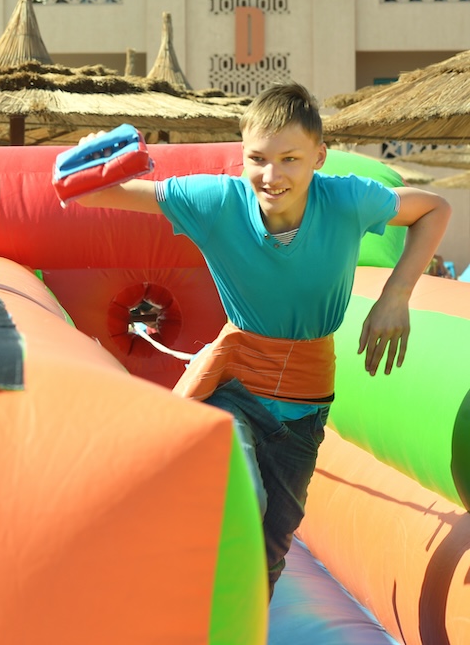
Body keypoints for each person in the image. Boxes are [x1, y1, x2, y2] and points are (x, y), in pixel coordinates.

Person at [72, 82, 450, 599]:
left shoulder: (345, 200)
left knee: (269, 554)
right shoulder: (216, 201)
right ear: (242, 154)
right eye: (258, 158)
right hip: (235, 384)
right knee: (236, 488)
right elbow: (91, 192)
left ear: (319, 156)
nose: (271, 176)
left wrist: (396, 294)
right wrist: (94, 156)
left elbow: (434, 208)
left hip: (304, 405)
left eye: (290, 159)